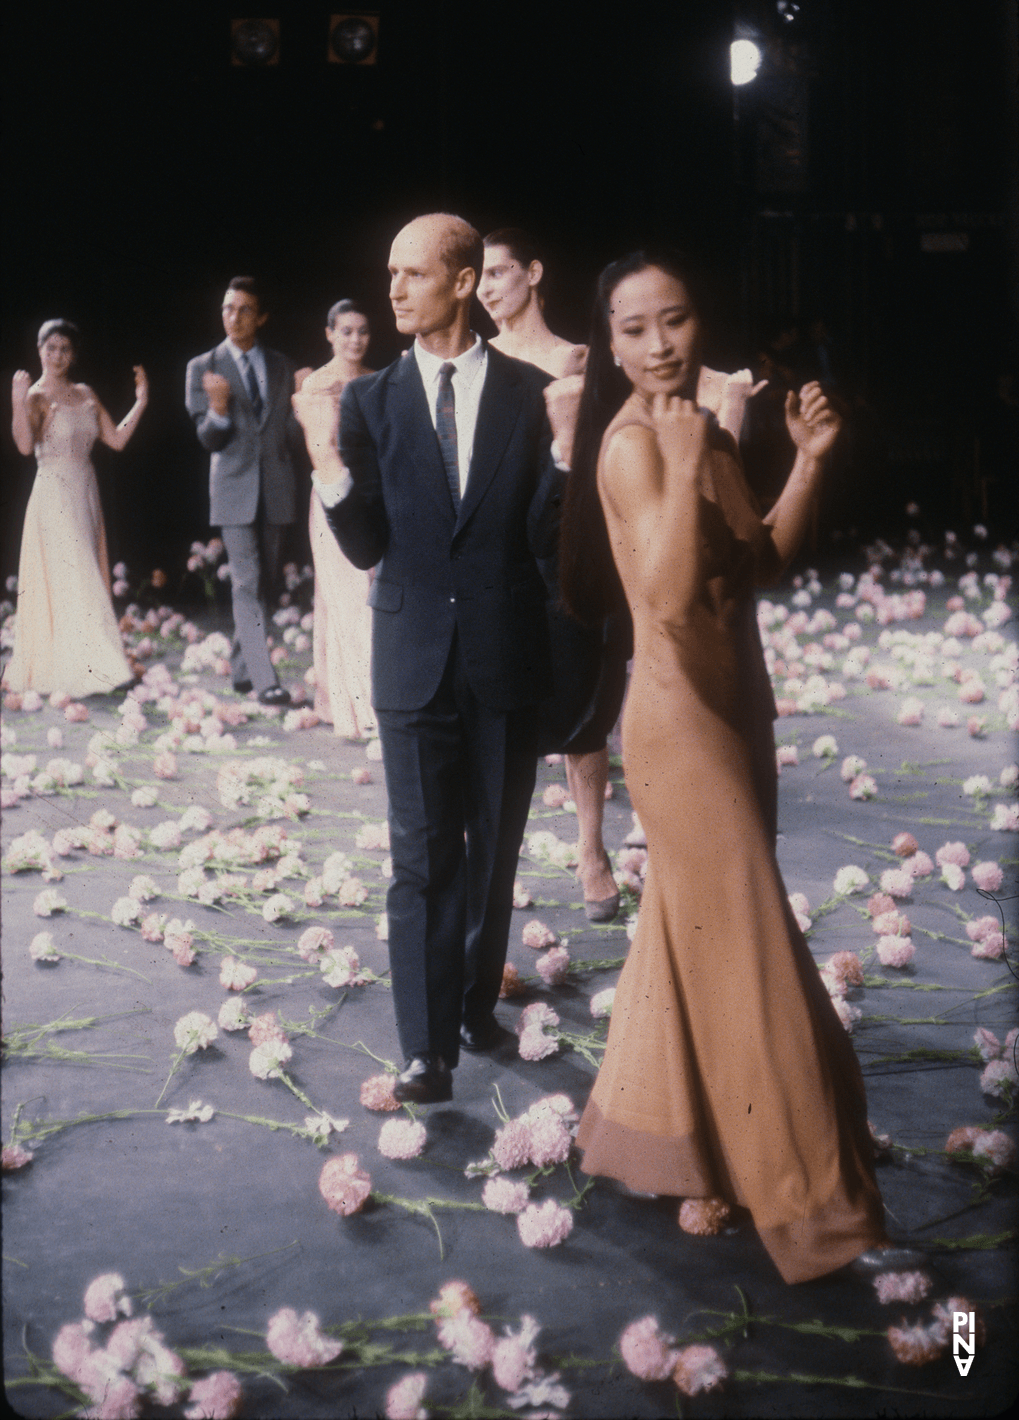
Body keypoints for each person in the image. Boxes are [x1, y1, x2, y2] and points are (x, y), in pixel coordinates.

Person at [555, 251, 916, 1284]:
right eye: (634, 329)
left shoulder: (700, 431)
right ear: (608, 345)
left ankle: (688, 1162)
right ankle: (820, 1207)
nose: (660, 344)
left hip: (737, 713)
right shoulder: (632, 447)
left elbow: (756, 564)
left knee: (688, 941)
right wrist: (672, 470)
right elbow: (662, 603)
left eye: (674, 321)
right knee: (753, 962)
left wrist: (804, 460)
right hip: (679, 734)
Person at [301, 213, 562, 1104]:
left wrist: (565, 464)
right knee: (420, 858)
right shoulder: (368, 401)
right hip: (410, 657)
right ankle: (424, 1051)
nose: (394, 290)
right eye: (389, 274)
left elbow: (540, 537)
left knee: (491, 851)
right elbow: (369, 542)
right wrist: (329, 470)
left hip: (503, 656)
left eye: (412, 274)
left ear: (462, 282)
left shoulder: (529, 394)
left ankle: (472, 1008)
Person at [478, 228, 623, 921]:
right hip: (498, 553)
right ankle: (497, 865)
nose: (485, 287)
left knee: (581, 711)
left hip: (562, 552)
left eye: (499, 271)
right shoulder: (472, 361)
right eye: (478, 275)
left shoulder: (574, 357)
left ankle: (590, 851)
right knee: (502, 715)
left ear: (532, 273)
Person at [4, 320, 147, 696]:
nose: (57, 356)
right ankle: (97, 667)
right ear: (39, 350)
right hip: (53, 495)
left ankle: (92, 662)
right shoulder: (34, 396)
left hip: (85, 490)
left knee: (83, 574)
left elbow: (115, 439)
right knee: (76, 573)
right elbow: (22, 446)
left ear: (74, 355)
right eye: (51, 348)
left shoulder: (84, 392)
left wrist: (141, 402)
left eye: (65, 349)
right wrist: (17, 402)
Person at [185, 277, 299, 706]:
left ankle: (240, 669)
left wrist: (303, 403)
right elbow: (208, 439)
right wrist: (217, 409)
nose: (233, 317)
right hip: (232, 491)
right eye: (227, 308)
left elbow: (289, 435)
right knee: (248, 582)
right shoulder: (204, 367)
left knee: (263, 584)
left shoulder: (283, 366)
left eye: (244, 309)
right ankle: (265, 678)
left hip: (277, 488)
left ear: (261, 317)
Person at [293, 300, 376, 739]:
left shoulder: (376, 380)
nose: (356, 340)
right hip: (332, 496)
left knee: (368, 593)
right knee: (344, 593)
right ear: (329, 334)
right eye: (346, 331)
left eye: (362, 331)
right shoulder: (318, 384)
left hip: (371, 495)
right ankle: (358, 704)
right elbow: (318, 446)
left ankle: (364, 693)